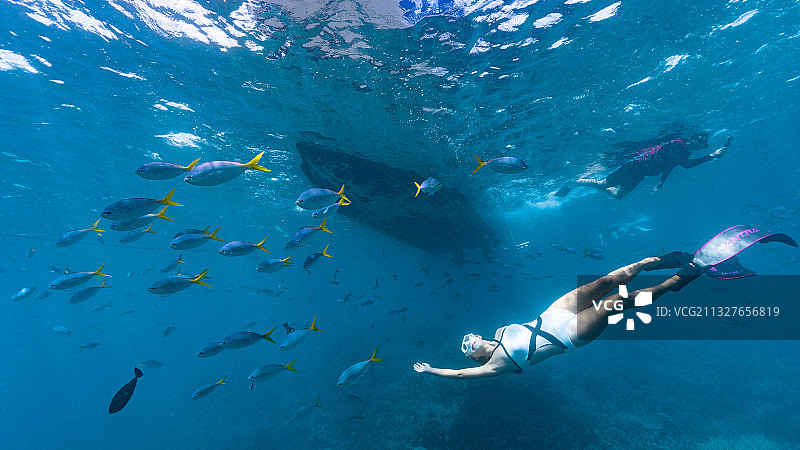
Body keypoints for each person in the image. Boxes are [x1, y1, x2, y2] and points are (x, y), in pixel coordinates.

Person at [412, 253, 702, 379]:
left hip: (552, 313)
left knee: (602, 283)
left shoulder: (500, 331)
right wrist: (430, 370)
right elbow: (460, 374)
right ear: (476, 359)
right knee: (618, 301)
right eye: (466, 350)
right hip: (569, 334)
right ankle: (675, 282)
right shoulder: (496, 366)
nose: (468, 343)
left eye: (466, 340)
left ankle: (654, 261)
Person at [557, 134, 731, 199]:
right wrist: (711, 156)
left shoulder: (683, 150)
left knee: (618, 195)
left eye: (704, 147)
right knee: (603, 184)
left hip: (640, 173)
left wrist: (663, 181)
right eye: (702, 144)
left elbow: (672, 164)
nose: (702, 147)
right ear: (692, 139)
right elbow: (685, 165)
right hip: (634, 167)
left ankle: (581, 182)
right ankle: (575, 182)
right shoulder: (677, 146)